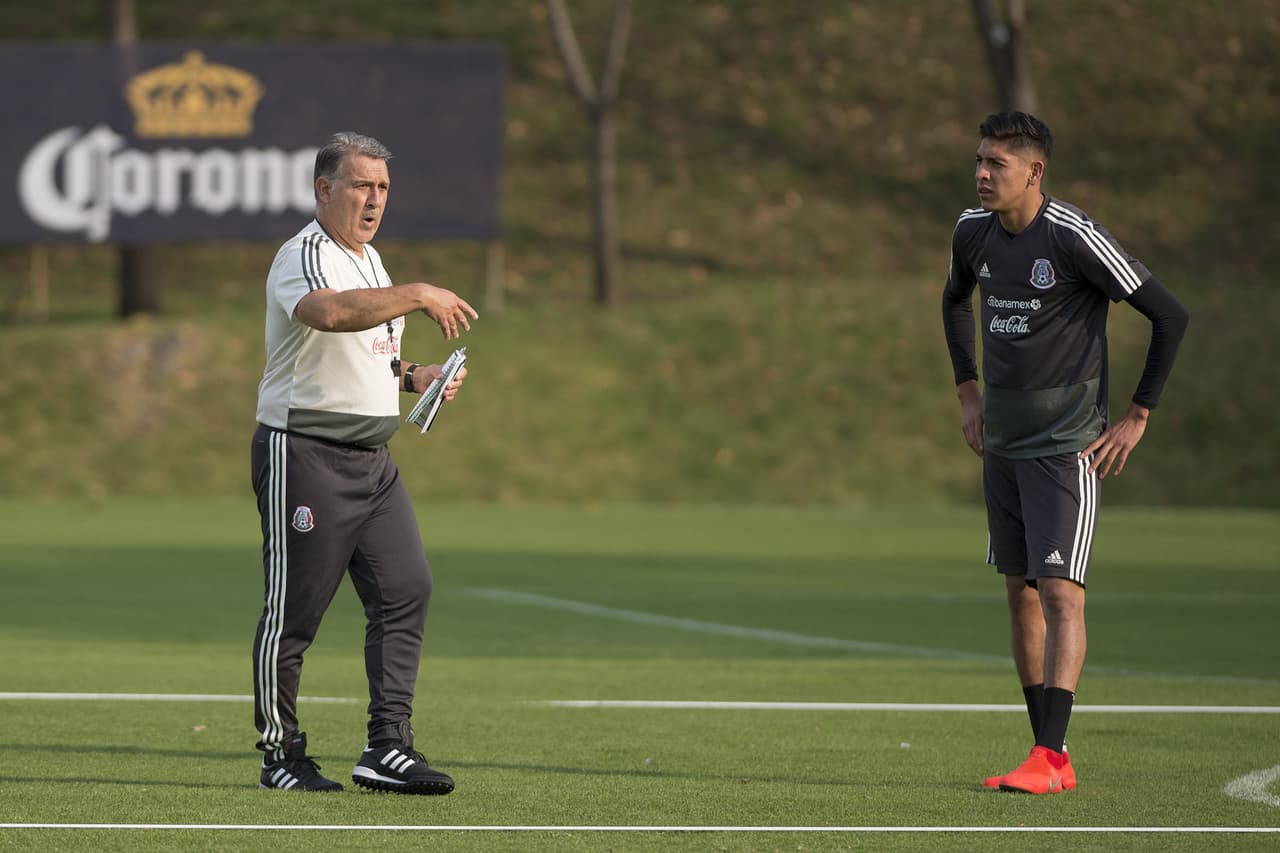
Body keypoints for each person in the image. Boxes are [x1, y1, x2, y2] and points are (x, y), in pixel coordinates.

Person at [941, 112, 1189, 794]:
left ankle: (1052, 755)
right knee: (1020, 596)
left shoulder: (1074, 237)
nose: (983, 174)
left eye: (996, 163)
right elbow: (954, 300)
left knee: (1060, 593)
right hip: (1004, 447)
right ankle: (1043, 752)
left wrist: (1138, 414)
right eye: (980, 161)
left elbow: (1169, 314)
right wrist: (968, 390)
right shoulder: (973, 231)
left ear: (1035, 170)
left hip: (1066, 444)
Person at [251, 131, 478, 794]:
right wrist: (418, 292)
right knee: (294, 611)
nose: (374, 198)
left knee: (407, 589)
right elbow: (328, 314)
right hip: (306, 455)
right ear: (325, 190)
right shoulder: (303, 254)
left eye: (381, 186)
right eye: (360, 185)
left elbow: (369, 350)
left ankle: (387, 748)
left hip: (372, 462)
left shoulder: (370, 260)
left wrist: (416, 375)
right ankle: (280, 754)